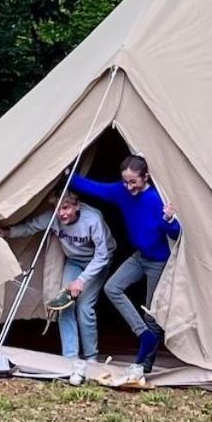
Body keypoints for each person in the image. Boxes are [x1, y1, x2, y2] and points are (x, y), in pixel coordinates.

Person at [68, 154, 179, 382]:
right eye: (126, 182)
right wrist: (69, 177)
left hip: (159, 261)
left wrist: (170, 220)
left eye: (133, 182)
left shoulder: (155, 199)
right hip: (140, 256)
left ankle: (142, 365)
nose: (129, 187)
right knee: (112, 288)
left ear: (145, 177)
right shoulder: (121, 192)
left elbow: (175, 234)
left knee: (152, 313)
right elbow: (96, 189)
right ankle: (143, 335)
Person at [0, 191, 115, 385]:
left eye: (65, 208)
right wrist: (8, 233)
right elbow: (31, 227)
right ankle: (70, 359)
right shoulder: (53, 218)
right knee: (64, 306)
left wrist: (81, 281)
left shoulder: (93, 220)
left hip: (96, 263)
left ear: (77, 206)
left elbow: (102, 255)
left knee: (84, 308)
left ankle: (91, 358)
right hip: (74, 262)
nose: (61, 214)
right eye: (58, 209)